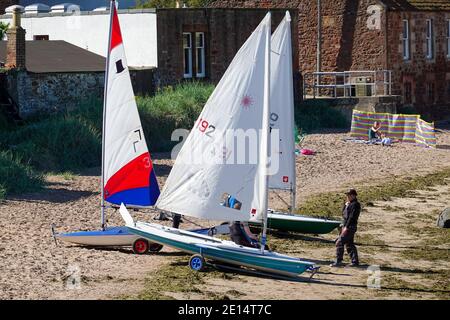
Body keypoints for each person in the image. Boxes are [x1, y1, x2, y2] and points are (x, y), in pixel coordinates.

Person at [330, 188, 360, 267]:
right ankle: (355, 262)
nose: (347, 196)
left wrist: (346, 227)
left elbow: (351, 217)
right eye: (347, 195)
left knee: (339, 242)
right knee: (349, 244)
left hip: (350, 227)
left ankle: (338, 261)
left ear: (353, 195)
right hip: (346, 226)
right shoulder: (348, 204)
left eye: (349, 195)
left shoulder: (356, 205)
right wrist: (345, 206)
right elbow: (344, 214)